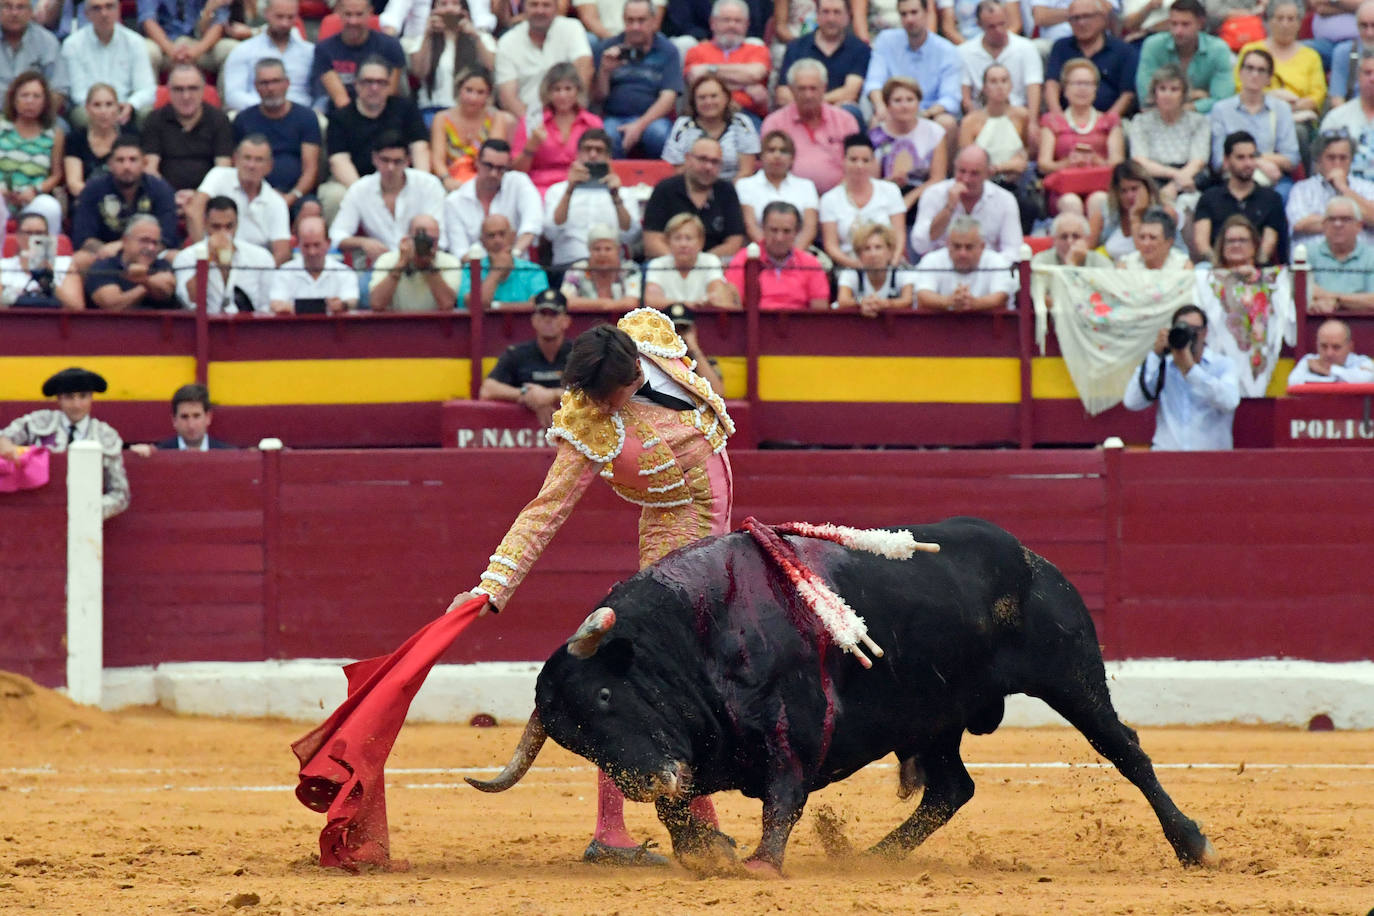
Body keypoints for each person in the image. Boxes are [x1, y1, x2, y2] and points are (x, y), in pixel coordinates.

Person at [446, 307, 733, 868]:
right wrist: (491, 587)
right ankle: (636, 829)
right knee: (669, 679)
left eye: (612, 396)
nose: (602, 409)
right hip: (677, 539)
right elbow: (544, 511)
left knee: (689, 675)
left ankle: (675, 824)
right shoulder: (588, 425)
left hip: (717, 535)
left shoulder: (652, 338)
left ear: (633, 376)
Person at [0, 366, 129, 519]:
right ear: (59, 399)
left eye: (83, 396)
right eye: (69, 397)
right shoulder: (39, 422)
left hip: (85, 524)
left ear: (91, 397)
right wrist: (5, 446)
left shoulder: (105, 435)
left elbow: (120, 494)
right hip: (37, 514)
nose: (77, 404)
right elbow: (4, 438)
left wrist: (89, 510)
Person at [320, 57, 429, 225]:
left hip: (400, 177)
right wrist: (367, 193)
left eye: (381, 82)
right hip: (353, 181)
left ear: (388, 85)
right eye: (367, 82)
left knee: (429, 190)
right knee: (334, 196)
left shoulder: (406, 109)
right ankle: (342, 246)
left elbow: (420, 148)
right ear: (356, 85)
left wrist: (422, 183)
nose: (374, 88)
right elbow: (338, 161)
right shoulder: (340, 117)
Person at [1121, 303, 1241, 451]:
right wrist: (1155, 355)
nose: (1189, 335)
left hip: (1210, 462)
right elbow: (1132, 402)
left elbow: (1229, 402)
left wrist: (1191, 371)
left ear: (1205, 333)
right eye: (1183, 328)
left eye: (1194, 330)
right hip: (1166, 461)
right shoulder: (1164, 365)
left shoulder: (1223, 365)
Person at [329, 131, 447, 263]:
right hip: (381, 266)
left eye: (397, 161)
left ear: (408, 161)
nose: (391, 167)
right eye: (385, 160)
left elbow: (440, 237)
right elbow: (337, 235)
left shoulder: (429, 185)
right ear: (374, 158)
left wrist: (411, 253)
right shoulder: (359, 189)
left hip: (424, 263)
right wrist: (363, 242)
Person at [1037, 57, 1124, 228]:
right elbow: (1043, 163)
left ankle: (1094, 247)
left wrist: (1097, 161)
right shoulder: (1052, 121)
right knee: (1071, 202)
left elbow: (1118, 162)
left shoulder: (1109, 121)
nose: (1082, 89)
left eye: (1088, 84)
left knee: (1098, 200)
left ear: (1095, 89)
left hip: (1101, 186)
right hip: (1063, 188)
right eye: (1076, 84)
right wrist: (1067, 163)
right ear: (1065, 89)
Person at [863, 0, 961, 143]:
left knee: (947, 123)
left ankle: (941, 166)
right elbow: (874, 82)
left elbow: (950, 99)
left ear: (927, 13)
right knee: (878, 120)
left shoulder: (947, 50)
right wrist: (881, 106)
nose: (909, 19)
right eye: (904, 14)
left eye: (914, 13)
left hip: (929, 113)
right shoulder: (885, 40)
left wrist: (922, 114)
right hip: (893, 110)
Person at [594, 0, 682, 159]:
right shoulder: (607, 48)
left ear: (654, 21)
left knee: (659, 134)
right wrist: (605, 72)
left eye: (641, 20)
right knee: (607, 137)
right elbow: (598, 98)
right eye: (630, 20)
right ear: (623, 20)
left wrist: (639, 126)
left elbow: (669, 98)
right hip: (614, 117)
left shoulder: (668, 51)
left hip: (653, 119)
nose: (635, 27)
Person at [141, 64, 234, 212]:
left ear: (203, 90)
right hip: (164, 199)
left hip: (209, 199)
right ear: (169, 91)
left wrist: (199, 196)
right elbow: (150, 169)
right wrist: (170, 196)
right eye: (178, 89)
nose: (186, 96)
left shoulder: (219, 120)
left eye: (192, 88)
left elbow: (222, 169)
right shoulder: (155, 120)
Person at [1209, 48, 1300, 198]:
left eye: (1261, 70)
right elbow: (1219, 161)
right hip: (1232, 178)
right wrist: (1258, 162)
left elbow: (1291, 158)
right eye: (1249, 68)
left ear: (1269, 78)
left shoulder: (1281, 109)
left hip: (1273, 178)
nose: (1254, 75)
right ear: (1240, 72)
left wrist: (1249, 158)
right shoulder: (1222, 109)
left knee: (1285, 194)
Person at [231, 59, 322, 207]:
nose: (271, 88)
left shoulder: (306, 118)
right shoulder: (243, 120)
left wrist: (290, 198)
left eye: (276, 81)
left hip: (296, 196)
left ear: (287, 83)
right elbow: (236, 165)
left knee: (311, 211)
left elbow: (310, 169)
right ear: (256, 86)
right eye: (264, 83)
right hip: (251, 195)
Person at [189, 135, 292, 264]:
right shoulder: (219, 176)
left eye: (259, 160)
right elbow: (193, 211)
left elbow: (282, 252)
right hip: (213, 259)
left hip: (254, 268)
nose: (251, 165)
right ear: (235, 159)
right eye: (247, 158)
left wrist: (260, 275)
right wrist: (204, 254)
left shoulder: (276, 202)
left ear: (269, 166)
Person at [478, 287, 573, 428]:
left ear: (566, 321)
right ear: (534, 320)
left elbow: (595, 392)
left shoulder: (578, 353)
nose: (547, 320)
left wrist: (552, 395)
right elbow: (487, 390)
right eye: (542, 314)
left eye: (554, 314)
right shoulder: (517, 354)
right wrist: (525, 394)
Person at [759, 59, 857, 195]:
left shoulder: (845, 120)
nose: (808, 95)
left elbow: (857, 165)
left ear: (824, 87)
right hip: (789, 199)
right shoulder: (774, 123)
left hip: (840, 198)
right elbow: (770, 168)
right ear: (791, 90)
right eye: (801, 88)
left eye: (813, 88)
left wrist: (834, 198)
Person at [70, 133, 179, 254]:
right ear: (110, 164)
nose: (127, 166)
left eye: (133, 160)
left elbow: (166, 238)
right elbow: (84, 237)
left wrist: (126, 248)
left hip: (150, 253)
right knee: (81, 259)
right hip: (105, 255)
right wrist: (104, 251)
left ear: (144, 163)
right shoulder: (93, 189)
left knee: (173, 256)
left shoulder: (161, 189)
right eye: (120, 160)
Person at [543, 128, 638, 266]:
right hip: (568, 265)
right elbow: (550, 233)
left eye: (599, 150)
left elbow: (631, 236)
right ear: (577, 154)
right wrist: (569, 190)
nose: (593, 155)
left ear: (608, 157)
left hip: (609, 268)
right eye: (587, 149)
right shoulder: (557, 191)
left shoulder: (624, 193)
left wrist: (616, 197)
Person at [641, 137, 746, 259]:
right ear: (687, 159)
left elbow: (735, 241)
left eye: (715, 162)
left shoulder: (726, 191)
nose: (708, 166)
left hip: (715, 267)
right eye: (702, 159)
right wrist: (681, 263)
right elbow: (652, 242)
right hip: (668, 267)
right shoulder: (665, 189)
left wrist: (703, 264)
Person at [1194, 130, 1288, 264]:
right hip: (1216, 267)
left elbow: (1268, 245)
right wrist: (1222, 266)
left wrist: (1247, 268)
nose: (1248, 163)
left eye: (1252, 157)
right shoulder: (1209, 198)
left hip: (1256, 268)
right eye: (1241, 157)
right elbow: (1202, 245)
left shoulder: (1271, 199)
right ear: (1226, 161)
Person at [911, 144, 1023, 257]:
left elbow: (1013, 251)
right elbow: (920, 245)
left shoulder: (1005, 200)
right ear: (954, 169)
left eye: (974, 173)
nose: (966, 179)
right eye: (962, 171)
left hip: (987, 271)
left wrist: (982, 265)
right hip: (941, 270)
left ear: (988, 174)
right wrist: (949, 208)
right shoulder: (934, 194)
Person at [958, 63, 1032, 231]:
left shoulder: (1022, 116)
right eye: (993, 81)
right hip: (982, 185)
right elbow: (966, 160)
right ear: (984, 87)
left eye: (1004, 80)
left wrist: (1012, 165)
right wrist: (1002, 167)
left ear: (1011, 85)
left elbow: (1026, 152)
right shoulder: (970, 122)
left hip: (1016, 183)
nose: (999, 86)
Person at [59, 0, 156, 128]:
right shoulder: (72, 45)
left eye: (109, 7)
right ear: (87, 14)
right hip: (92, 107)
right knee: (81, 115)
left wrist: (131, 104)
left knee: (147, 113)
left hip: (126, 106)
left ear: (118, 10)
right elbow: (78, 93)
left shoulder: (135, 42)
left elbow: (146, 88)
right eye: (97, 8)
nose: (104, 13)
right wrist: (103, 108)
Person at [1127, 64, 1211, 209]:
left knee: (1192, 194)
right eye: (1162, 89)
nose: (1167, 94)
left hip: (1190, 176)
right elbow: (1140, 161)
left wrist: (1174, 186)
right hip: (1154, 175)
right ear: (1155, 93)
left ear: (1183, 94)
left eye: (1174, 89)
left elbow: (1198, 161)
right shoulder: (1140, 122)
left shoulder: (1199, 121)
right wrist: (1175, 176)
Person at [442, 138, 543, 257]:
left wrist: (513, 256)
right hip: (475, 272)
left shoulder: (519, 182)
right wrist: (494, 268)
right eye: (488, 166)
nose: (493, 173)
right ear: (476, 162)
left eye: (501, 168)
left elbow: (532, 226)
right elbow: (461, 252)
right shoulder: (454, 202)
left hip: (517, 268)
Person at [513, 62, 603, 196]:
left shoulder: (592, 123)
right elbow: (517, 172)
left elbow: (602, 165)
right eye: (557, 89)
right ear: (548, 93)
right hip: (538, 189)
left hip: (580, 187)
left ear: (577, 90)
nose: (562, 95)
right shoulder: (531, 122)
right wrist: (531, 146)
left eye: (568, 89)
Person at [172, 195, 275, 312]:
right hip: (206, 325)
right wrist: (209, 257)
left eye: (229, 226)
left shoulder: (261, 257)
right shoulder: (186, 257)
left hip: (247, 325)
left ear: (237, 224)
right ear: (205, 224)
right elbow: (189, 300)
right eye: (216, 227)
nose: (223, 233)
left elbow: (267, 304)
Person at [494, 0, 593, 121]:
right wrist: (533, 124)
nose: (540, 11)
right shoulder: (507, 42)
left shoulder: (572, 28)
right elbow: (508, 98)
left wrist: (569, 117)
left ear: (556, 8)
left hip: (569, 115)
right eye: (534, 5)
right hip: (526, 117)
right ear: (524, 9)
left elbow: (584, 69)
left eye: (546, 5)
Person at [819, 133, 906, 269]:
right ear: (843, 160)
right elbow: (831, 246)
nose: (859, 165)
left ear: (873, 162)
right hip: (849, 266)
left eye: (865, 160)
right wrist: (858, 266)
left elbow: (899, 234)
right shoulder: (829, 199)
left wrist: (892, 263)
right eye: (853, 160)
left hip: (888, 264)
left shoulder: (890, 190)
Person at [1233, 1, 1326, 127]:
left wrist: (1294, 106)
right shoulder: (1251, 51)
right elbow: (1239, 86)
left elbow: (1318, 93)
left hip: (1297, 116)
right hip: (1255, 110)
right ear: (1270, 21)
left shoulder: (1311, 56)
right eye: (1280, 18)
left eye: (1291, 19)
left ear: (1299, 23)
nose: (1285, 24)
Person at [1135, 0, 1235, 116]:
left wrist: (1176, 105)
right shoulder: (1153, 45)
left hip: (1203, 117)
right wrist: (1195, 95)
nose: (1178, 31)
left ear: (1200, 23)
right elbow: (1146, 97)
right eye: (1174, 24)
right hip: (1159, 116)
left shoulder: (1218, 49)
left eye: (1185, 24)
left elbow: (1222, 100)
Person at [776, 0, 869, 124]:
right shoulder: (797, 47)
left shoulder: (859, 49)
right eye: (825, 12)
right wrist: (809, 106)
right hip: (799, 114)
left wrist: (811, 103)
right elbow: (783, 93)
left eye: (837, 12)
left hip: (840, 115)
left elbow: (850, 92)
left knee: (851, 111)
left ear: (848, 17)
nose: (831, 18)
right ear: (817, 16)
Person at [724, 201, 829, 310]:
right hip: (755, 324)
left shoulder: (810, 263)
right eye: (774, 230)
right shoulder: (744, 259)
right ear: (763, 229)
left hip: (798, 324)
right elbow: (733, 305)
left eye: (786, 231)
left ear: (797, 232)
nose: (779, 238)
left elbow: (819, 312)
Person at [682, 0, 772, 124]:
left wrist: (709, 70)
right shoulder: (697, 51)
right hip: (704, 116)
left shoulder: (758, 50)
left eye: (738, 21)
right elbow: (696, 78)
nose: (732, 25)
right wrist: (745, 85)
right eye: (726, 20)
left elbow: (755, 74)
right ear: (713, 23)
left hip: (747, 114)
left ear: (747, 24)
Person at [1044, 0, 1137, 119]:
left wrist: (1106, 122)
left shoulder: (1123, 51)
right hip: (1067, 120)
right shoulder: (1061, 47)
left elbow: (1127, 94)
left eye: (1087, 16)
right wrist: (1058, 117)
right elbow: (1052, 84)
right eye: (1075, 18)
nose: (1081, 22)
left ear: (1103, 19)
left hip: (1111, 122)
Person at [867, 75, 946, 213]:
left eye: (910, 100)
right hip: (885, 197)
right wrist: (890, 182)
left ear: (918, 102)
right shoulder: (876, 135)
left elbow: (937, 178)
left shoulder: (935, 132)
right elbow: (871, 182)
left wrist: (910, 199)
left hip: (923, 196)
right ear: (888, 105)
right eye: (897, 101)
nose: (904, 106)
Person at [662, 73, 761, 183]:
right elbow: (679, 172)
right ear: (694, 102)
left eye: (714, 96)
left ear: (726, 98)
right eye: (702, 98)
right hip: (693, 190)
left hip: (733, 190)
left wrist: (723, 195)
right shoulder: (682, 126)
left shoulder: (742, 123)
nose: (708, 102)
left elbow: (746, 172)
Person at [408, 0, 496, 123]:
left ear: (464, 9)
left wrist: (474, 36)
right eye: (443, 4)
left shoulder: (481, 37)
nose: (449, 9)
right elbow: (419, 72)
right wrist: (427, 34)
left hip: (472, 110)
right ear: (434, 10)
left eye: (455, 4)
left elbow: (491, 66)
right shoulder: (422, 39)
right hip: (433, 109)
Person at [309, 0, 407, 110]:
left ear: (370, 12)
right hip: (340, 115)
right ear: (338, 12)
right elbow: (340, 100)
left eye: (359, 14)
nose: (353, 21)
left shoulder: (390, 46)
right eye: (348, 14)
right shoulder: (324, 49)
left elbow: (389, 93)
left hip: (383, 111)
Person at [1287, 130, 1374, 251]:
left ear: (1351, 160)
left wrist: (1343, 188)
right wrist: (1356, 220)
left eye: (1343, 158)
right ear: (1319, 159)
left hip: (1361, 265)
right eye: (1331, 158)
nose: (1337, 164)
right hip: (1314, 264)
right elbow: (1301, 224)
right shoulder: (1301, 189)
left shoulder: (1367, 187)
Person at [0, 70, 64, 236]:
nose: (30, 101)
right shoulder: (1, 127)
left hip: (33, 196)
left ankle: (44, 258)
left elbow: (56, 175)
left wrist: (34, 191)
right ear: (14, 99)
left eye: (36, 96)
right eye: (25, 95)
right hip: (2, 194)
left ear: (45, 101)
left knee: (50, 207)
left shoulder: (54, 134)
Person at [957, 0, 1041, 124]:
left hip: (1018, 115)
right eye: (992, 26)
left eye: (1002, 24)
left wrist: (1033, 123)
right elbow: (965, 96)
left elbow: (1034, 86)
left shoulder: (1027, 48)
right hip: (981, 115)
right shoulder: (964, 52)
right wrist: (975, 121)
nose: (999, 30)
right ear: (979, 25)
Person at [221, 0, 314, 111]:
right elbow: (233, 95)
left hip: (302, 116)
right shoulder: (244, 50)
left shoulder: (309, 52)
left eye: (290, 17)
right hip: (255, 114)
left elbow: (321, 94)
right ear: (266, 13)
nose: (285, 23)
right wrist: (267, 110)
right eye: (279, 17)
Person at [736, 129, 820, 251]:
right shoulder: (745, 185)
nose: (777, 155)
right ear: (762, 156)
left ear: (792, 158)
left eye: (783, 151)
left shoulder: (806, 186)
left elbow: (809, 229)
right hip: (759, 253)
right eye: (771, 150)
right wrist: (773, 255)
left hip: (799, 254)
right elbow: (751, 226)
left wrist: (791, 256)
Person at [429, 67, 509, 192]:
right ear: (459, 90)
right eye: (469, 90)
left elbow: (494, 156)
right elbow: (438, 160)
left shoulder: (496, 118)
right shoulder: (441, 118)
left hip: (485, 180)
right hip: (449, 181)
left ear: (488, 95)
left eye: (480, 92)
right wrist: (447, 180)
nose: (473, 98)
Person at [913, 214, 1016, 310]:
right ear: (948, 244)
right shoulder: (931, 260)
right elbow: (922, 295)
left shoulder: (997, 262)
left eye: (969, 247)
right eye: (957, 246)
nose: (962, 253)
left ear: (982, 246)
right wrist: (949, 301)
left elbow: (1002, 297)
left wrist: (974, 303)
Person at [368, 212, 462, 311]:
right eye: (421, 239)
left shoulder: (450, 262)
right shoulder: (387, 260)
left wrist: (429, 267)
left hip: (435, 324)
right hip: (396, 324)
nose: (428, 244)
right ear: (408, 238)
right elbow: (376, 304)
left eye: (433, 240)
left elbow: (447, 304)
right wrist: (401, 264)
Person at [455, 212, 550, 307]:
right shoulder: (469, 270)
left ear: (513, 237)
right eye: (491, 236)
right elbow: (474, 306)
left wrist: (494, 306)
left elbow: (539, 306)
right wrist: (495, 272)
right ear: (482, 241)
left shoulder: (533, 271)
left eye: (502, 234)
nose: (497, 241)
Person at [644, 212, 736, 309]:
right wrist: (691, 305)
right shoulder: (657, 264)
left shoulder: (710, 261)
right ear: (668, 241)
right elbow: (651, 300)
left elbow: (718, 298)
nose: (683, 244)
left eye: (689, 238)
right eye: (677, 238)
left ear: (701, 242)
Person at [85, 215, 178, 311]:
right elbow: (112, 305)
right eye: (144, 240)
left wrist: (144, 280)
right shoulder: (103, 267)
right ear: (125, 241)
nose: (151, 248)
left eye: (155, 243)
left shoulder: (163, 265)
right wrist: (147, 285)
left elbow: (166, 291)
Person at [269, 215, 360, 313]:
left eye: (317, 245)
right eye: (306, 246)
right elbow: (276, 304)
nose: (312, 252)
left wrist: (342, 305)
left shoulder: (345, 273)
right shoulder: (284, 272)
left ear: (328, 243)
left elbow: (351, 301)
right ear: (298, 244)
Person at [0, 209, 82, 308]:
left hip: (54, 321)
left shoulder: (65, 264)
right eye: (28, 233)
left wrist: (49, 279)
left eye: (39, 233)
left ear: (48, 236)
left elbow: (76, 307)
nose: (34, 238)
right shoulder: (3, 266)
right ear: (18, 236)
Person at [1307, 195, 1374, 312]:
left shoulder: (1371, 256)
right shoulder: (1308, 253)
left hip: (1363, 325)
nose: (1337, 224)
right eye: (1332, 219)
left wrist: (1334, 299)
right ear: (1323, 225)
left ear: (1359, 226)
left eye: (1345, 219)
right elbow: (1303, 292)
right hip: (1319, 322)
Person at [1097, 162, 1173, 261]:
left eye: (1134, 189)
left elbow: (1143, 255)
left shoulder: (1165, 213)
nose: (1130, 196)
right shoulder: (1108, 214)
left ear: (1147, 188)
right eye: (1123, 191)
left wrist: (1135, 216)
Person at [836, 221, 916, 314]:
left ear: (890, 251)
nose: (873, 254)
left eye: (878, 247)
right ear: (859, 255)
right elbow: (843, 301)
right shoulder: (850, 274)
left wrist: (885, 304)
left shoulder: (903, 273)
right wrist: (861, 302)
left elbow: (908, 301)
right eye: (867, 248)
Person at [1319, 49, 1374, 184]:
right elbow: (1321, 165)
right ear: (1358, 77)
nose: (1372, 78)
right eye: (1367, 73)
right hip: (1343, 192)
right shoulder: (1336, 118)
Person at [139, 0, 239, 73]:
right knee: (147, 52)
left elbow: (219, 24)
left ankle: (229, 102)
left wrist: (196, 51)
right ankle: (149, 101)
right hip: (163, 46)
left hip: (200, 45)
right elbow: (148, 21)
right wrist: (172, 51)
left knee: (231, 50)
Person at [559, 222, 641, 310]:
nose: (602, 254)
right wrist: (604, 304)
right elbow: (565, 301)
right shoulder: (577, 269)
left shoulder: (630, 269)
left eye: (608, 249)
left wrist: (592, 304)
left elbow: (632, 303)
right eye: (597, 249)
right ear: (589, 250)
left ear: (618, 250)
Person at [0, 0, 67, 108]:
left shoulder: (47, 42)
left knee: (60, 125)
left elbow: (59, 90)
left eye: (20, 7)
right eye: (7, 7)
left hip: (37, 117)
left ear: (31, 12)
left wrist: (38, 117)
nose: (14, 13)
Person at [63, 83, 119, 200]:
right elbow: (74, 184)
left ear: (117, 107)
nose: (103, 111)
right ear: (87, 108)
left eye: (109, 104)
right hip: (86, 201)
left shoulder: (129, 137)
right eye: (97, 105)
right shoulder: (75, 139)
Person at [147, 384, 237, 450]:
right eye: (184, 417)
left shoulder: (228, 454)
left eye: (196, 416)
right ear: (174, 420)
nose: (191, 425)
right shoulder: (159, 453)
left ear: (208, 418)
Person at [1286, 318, 1374, 384]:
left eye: (1336, 347)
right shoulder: (1309, 360)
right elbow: (1293, 382)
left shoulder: (1362, 362)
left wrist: (1329, 371)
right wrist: (1343, 377)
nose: (1329, 353)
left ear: (1350, 347)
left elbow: (1367, 379)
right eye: (1324, 346)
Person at [1329, 0, 1374, 108]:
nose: (1369, 33)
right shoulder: (1344, 52)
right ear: (1357, 26)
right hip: (1353, 115)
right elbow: (1337, 98)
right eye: (1364, 26)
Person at [1118, 206, 1193, 269]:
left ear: (1169, 242)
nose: (1146, 243)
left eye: (1153, 238)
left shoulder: (1183, 266)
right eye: (1142, 237)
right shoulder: (1126, 265)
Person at [1030, 211, 1113, 266]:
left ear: (1087, 240)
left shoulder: (1100, 262)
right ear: (1054, 240)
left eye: (1076, 236)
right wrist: (1071, 263)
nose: (1069, 241)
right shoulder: (1041, 261)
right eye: (1064, 236)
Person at [938, 0, 1018, 43]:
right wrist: (971, 49)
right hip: (965, 43)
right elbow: (948, 28)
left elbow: (1015, 25)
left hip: (1002, 42)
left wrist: (1001, 43)